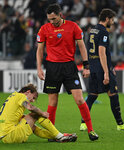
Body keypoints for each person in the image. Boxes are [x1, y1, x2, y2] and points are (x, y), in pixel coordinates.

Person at [36, 3, 98, 141]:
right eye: (50, 19)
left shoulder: (73, 26)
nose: (52, 22)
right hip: (52, 68)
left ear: (60, 15)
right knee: (53, 101)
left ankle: (91, 130)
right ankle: (52, 133)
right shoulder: (44, 29)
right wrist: (39, 68)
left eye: (54, 19)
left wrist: (86, 65)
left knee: (79, 98)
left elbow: (82, 45)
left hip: (69, 67)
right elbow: (39, 50)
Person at [79, 9, 124, 131]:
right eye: (112, 19)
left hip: (93, 68)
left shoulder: (93, 30)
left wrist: (91, 67)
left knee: (92, 96)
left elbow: (90, 51)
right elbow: (102, 52)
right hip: (101, 68)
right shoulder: (104, 32)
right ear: (107, 19)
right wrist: (107, 71)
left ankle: (83, 123)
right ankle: (120, 124)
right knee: (113, 95)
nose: (113, 22)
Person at [0, 83, 77, 143]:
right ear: (28, 92)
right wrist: (42, 113)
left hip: (6, 138)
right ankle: (60, 136)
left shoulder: (13, 96)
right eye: (33, 97)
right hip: (13, 134)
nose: (33, 101)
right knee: (36, 114)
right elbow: (30, 107)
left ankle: (58, 136)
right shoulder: (21, 96)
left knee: (33, 127)